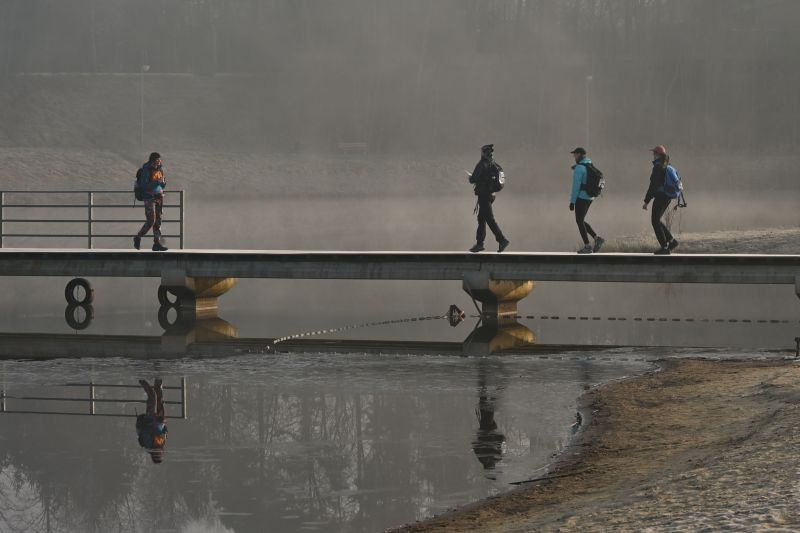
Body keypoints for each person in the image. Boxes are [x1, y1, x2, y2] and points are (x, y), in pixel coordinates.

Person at [468, 144, 510, 253]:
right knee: (481, 218)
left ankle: (502, 240)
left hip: (484, 196)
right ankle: (479, 244)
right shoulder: (493, 163)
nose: (480, 153)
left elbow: (473, 179)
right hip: (492, 195)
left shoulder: (482, 164)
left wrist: (470, 177)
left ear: (484, 153)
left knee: (489, 219)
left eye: (481, 151)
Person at [643, 145, 681, 255]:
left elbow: (653, 186)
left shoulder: (658, 167)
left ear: (659, 155)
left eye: (654, 153)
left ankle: (665, 247)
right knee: (657, 220)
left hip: (661, 196)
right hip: (667, 197)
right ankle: (672, 242)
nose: (653, 155)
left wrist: (646, 201)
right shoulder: (667, 165)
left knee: (654, 221)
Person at [568, 147, 605, 254]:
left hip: (582, 197)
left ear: (579, 154)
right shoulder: (589, 164)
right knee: (581, 220)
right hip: (590, 197)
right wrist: (577, 167)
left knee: (579, 221)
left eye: (575, 154)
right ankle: (597, 239)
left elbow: (576, 186)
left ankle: (587, 246)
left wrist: (572, 202)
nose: (574, 156)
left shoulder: (580, 168)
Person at [134, 152, 168, 251]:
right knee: (151, 220)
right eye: (158, 160)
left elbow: (161, 185)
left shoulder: (160, 170)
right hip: (149, 198)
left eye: (160, 160)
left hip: (159, 197)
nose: (160, 161)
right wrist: (157, 182)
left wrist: (163, 183)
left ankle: (156, 244)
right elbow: (145, 186)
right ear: (153, 160)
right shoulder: (146, 170)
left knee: (158, 221)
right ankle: (138, 237)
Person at [136, 378, 168, 463]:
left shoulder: (148, 444)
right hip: (159, 418)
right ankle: (158, 377)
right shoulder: (162, 444)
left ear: (154, 455)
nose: (160, 453)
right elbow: (164, 431)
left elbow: (145, 430)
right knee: (159, 397)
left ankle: (141, 377)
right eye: (161, 455)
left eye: (158, 455)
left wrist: (155, 421)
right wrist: (164, 423)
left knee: (152, 396)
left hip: (151, 418)